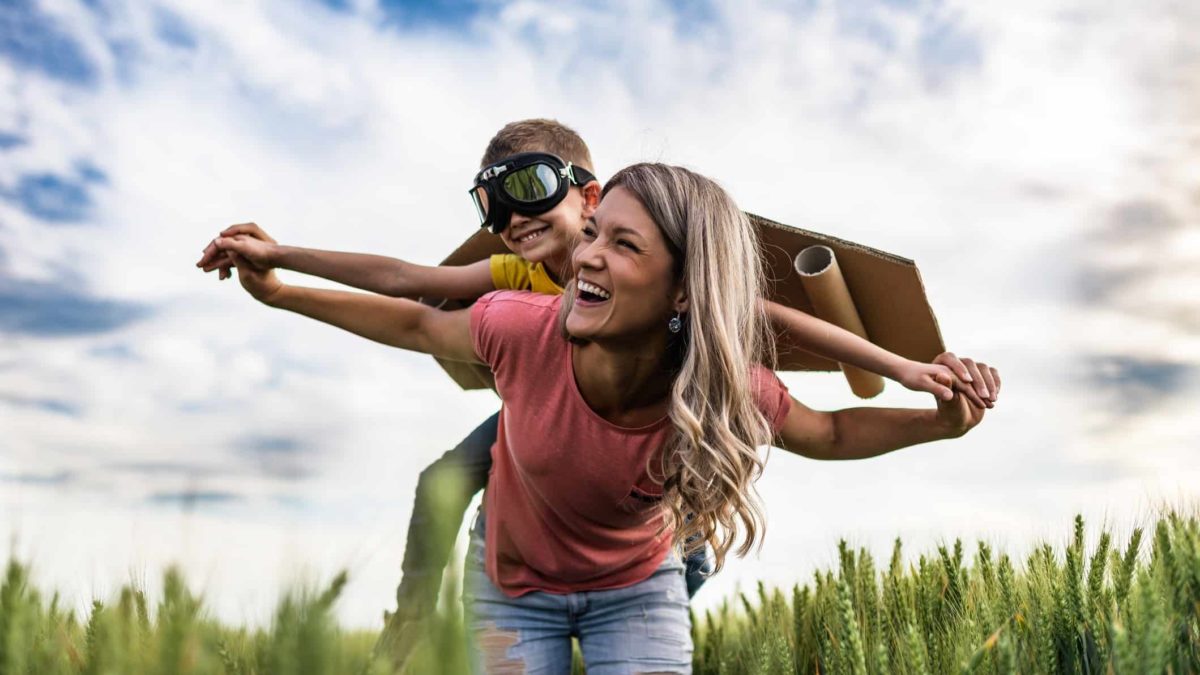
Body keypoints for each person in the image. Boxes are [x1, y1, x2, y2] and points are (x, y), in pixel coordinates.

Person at [209, 161, 999, 673]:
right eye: (592, 236)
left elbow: (827, 430)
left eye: (623, 245)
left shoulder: (721, 381)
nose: (587, 256)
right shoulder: (520, 321)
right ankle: (410, 618)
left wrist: (937, 416)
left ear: (684, 289)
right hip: (511, 588)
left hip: (636, 586)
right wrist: (281, 283)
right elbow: (416, 314)